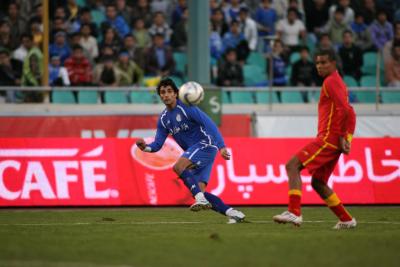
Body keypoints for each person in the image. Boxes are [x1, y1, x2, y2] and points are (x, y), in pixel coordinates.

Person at [136, 78, 246, 224]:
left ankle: (198, 198)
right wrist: (145, 147)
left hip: (206, 144)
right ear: (160, 96)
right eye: (163, 92)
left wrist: (222, 146)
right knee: (202, 192)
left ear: (176, 94)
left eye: (169, 91)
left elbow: (210, 124)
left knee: (178, 167)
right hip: (196, 151)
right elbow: (157, 144)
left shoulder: (187, 108)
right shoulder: (163, 120)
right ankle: (233, 213)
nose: (166, 95)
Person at [273, 48, 357, 229]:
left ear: (333, 63)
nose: (319, 66)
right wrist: (347, 137)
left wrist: (343, 136)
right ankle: (346, 219)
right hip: (335, 140)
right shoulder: (338, 82)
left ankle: (294, 212)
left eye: (323, 62)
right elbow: (350, 111)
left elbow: (344, 109)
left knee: (292, 165)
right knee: (318, 182)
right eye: (317, 63)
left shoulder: (331, 82)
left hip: (328, 139)